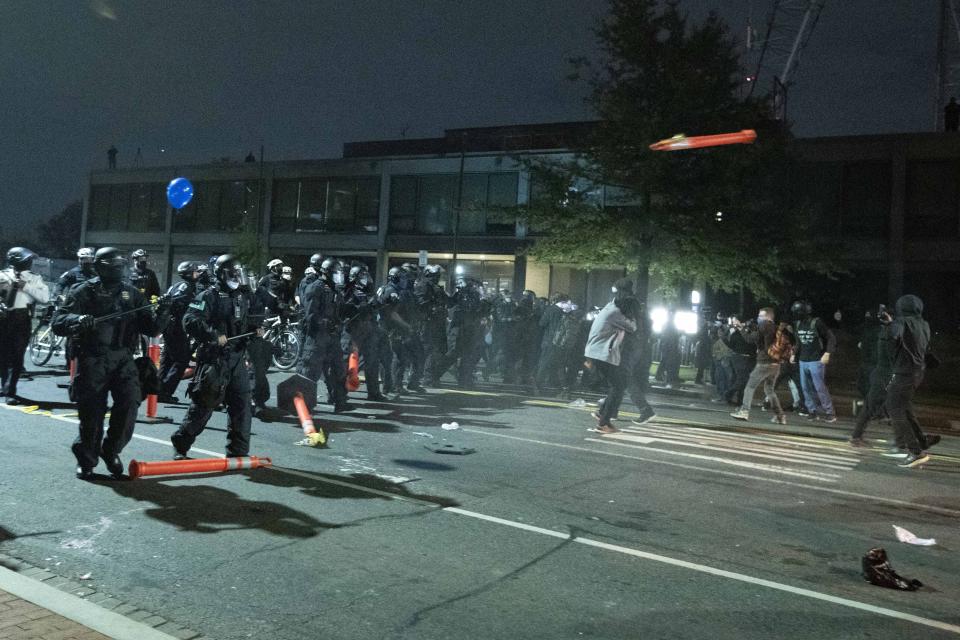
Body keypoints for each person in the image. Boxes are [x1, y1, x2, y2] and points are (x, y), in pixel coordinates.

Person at [52, 247, 169, 479]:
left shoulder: (131, 293)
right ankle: (87, 459)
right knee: (91, 412)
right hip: (92, 358)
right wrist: (78, 320)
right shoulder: (83, 291)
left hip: (124, 358)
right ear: (99, 266)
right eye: (111, 264)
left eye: (119, 264)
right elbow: (58, 321)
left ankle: (111, 450)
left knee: (129, 404)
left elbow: (152, 328)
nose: (117, 268)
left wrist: (164, 311)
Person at [170, 255, 258, 459]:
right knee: (203, 407)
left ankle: (238, 453)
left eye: (238, 273)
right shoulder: (209, 296)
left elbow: (244, 323)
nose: (236, 277)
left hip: (237, 359)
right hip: (214, 360)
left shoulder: (242, 296)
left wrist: (254, 330)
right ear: (220, 273)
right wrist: (212, 335)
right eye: (231, 274)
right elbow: (190, 320)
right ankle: (180, 444)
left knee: (242, 407)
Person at [883, 295, 939, 468]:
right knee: (905, 408)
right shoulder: (924, 324)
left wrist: (889, 324)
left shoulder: (901, 323)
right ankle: (921, 442)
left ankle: (916, 452)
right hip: (917, 372)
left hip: (904, 372)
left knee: (894, 408)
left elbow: (893, 337)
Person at [298, 258, 352, 412]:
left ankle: (340, 401)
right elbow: (310, 315)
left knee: (338, 369)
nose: (339, 276)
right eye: (336, 273)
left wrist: (344, 316)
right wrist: (325, 323)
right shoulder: (316, 288)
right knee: (310, 370)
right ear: (327, 273)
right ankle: (304, 406)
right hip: (317, 337)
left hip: (332, 336)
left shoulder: (334, 289)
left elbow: (338, 310)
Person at [0, 247, 50, 404]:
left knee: (16, 356)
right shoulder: (2, 275)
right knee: (2, 355)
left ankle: (10, 391)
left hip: (21, 319)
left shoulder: (34, 278)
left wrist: (25, 286)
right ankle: (4, 386)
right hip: (2, 318)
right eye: (26, 260)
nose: (29, 263)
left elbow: (45, 297)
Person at [584, 294, 638, 433]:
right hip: (600, 354)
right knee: (618, 386)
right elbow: (632, 327)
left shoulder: (611, 308)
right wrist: (632, 318)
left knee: (617, 386)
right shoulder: (615, 313)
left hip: (597, 353)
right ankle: (603, 423)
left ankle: (603, 414)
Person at [730, 308, 787, 424]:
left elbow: (750, 339)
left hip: (764, 363)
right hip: (776, 364)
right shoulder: (776, 328)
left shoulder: (764, 325)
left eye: (761, 316)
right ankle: (780, 416)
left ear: (768, 317)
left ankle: (744, 411)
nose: (758, 318)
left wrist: (741, 328)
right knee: (769, 390)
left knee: (750, 387)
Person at [850, 304, 894, 448]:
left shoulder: (870, 330)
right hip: (878, 369)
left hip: (870, 367)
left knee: (872, 400)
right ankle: (905, 441)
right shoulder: (884, 331)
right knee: (889, 401)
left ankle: (858, 434)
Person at [157, 261, 200, 403]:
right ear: (189, 273)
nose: (197, 273)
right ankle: (166, 392)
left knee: (167, 359)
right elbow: (187, 305)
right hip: (177, 327)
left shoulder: (175, 285)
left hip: (168, 324)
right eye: (195, 271)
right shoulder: (188, 287)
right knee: (181, 360)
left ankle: (158, 390)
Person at [343, 264, 386, 401]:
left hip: (368, 329)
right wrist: (358, 307)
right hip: (353, 330)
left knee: (372, 361)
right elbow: (344, 309)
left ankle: (373, 393)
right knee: (345, 362)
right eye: (362, 276)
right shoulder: (348, 290)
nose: (366, 279)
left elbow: (377, 305)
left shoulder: (368, 291)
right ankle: (338, 393)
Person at [792, 300, 837, 422]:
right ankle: (812, 410)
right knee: (805, 388)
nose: (796, 314)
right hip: (803, 360)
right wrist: (794, 354)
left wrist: (827, 353)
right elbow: (798, 342)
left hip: (816, 360)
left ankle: (830, 412)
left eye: (798, 312)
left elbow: (831, 337)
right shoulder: (797, 324)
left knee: (819, 387)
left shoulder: (816, 322)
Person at [415, 264, 450, 386]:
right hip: (428, 322)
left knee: (440, 349)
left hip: (438, 323)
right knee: (429, 349)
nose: (436, 277)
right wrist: (434, 309)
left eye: (437, 275)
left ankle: (431, 376)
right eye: (434, 275)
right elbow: (421, 304)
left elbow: (449, 302)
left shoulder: (437, 288)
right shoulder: (423, 286)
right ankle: (427, 377)